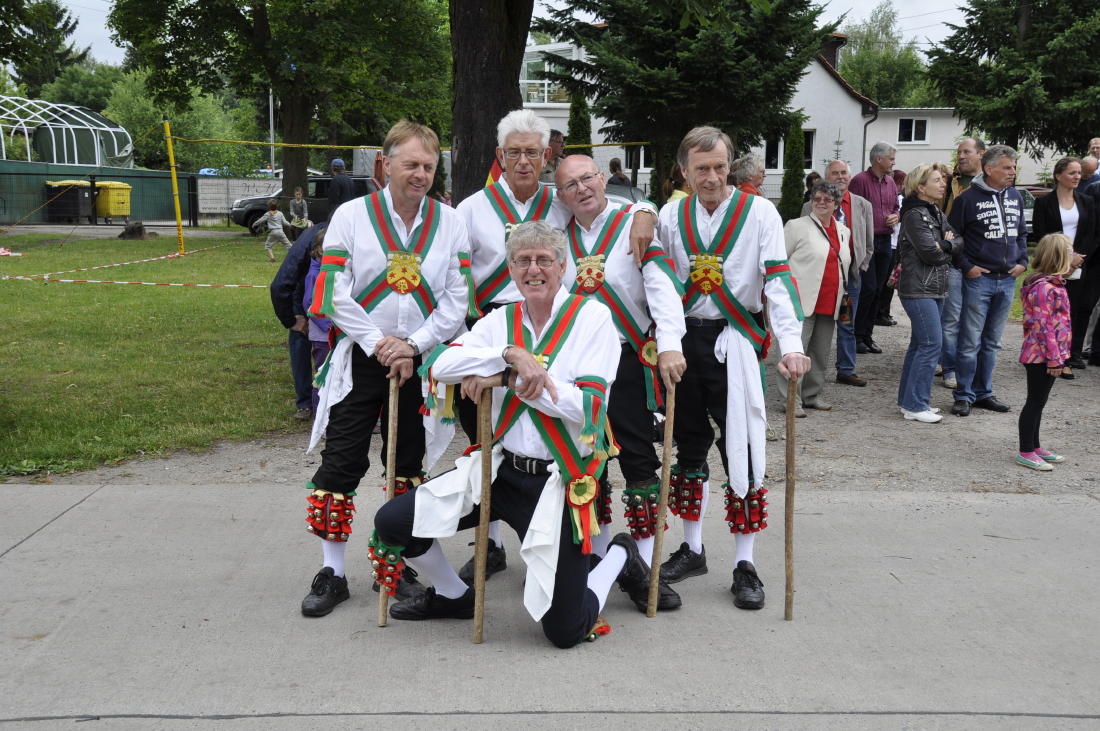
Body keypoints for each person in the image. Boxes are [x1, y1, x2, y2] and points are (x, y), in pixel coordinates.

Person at [373, 221, 649, 648]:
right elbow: (441, 365)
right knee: (393, 522)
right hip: (499, 472)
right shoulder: (499, 321)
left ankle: (618, 556)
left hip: (558, 482)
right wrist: (509, 358)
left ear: (562, 268)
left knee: (564, 631)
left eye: (543, 260)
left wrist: (505, 381)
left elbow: (587, 406)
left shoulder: (593, 319)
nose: (533, 269)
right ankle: (454, 595)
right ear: (512, 269)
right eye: (522, 260)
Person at [452, 109, 659, 584]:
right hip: (495, 337)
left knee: (575, 439)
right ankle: (491, 542)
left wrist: (646, 211)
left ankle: (592, 547)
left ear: (546, 156)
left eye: (532, 152)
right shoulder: (471, 210)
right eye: (514, 152)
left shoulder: (557, 201)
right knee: (488, 440)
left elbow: (607, 209)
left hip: (558, 335)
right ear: (499, 156)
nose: (523, 161)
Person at [297, 120, 469, 617]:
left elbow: (457, 301)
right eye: (410, 163)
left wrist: (412, 347)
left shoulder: (450, 221)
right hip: (362, 359)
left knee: (407, 468)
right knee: (342, 461)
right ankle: (332, 572)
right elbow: (334, 293)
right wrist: (380, 344)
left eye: (429, 166)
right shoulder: (351, 216)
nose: (420, 174)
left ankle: (395, 565)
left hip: (418, 364)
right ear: (386, 164)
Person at [656, 126, 810, 610]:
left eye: (720, 167)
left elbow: (778, 282)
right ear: (684, 170)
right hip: (683, 341)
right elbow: (657, 279)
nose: (712, 177)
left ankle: (745, 562)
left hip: (735, 341)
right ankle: (693, 547)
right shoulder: (668, 213)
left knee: (742, 446)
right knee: (688, 447)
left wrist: (790, 344)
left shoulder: (759, 211)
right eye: (701, 168)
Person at [554, 154, 687, 611]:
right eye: (571, 185)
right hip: (579, 370)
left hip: (628, 363)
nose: (582, 189)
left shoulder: (634, 220)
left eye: (588, 178)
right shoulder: (557, 235)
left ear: (601, 178)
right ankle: (599, 558)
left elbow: (663, 287)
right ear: (562, 196)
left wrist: (671, 343)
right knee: (585, 465)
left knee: (637, 462)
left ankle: (644, 567)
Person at [947, 145, 1028, 417]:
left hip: (1006, 280)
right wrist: (967, 267)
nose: (1012, 172)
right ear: (989, 168)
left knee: (992, 341)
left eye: (1014, 167)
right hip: (979, 280)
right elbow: (952, 239)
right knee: (970, 340)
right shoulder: (967, 200)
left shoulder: (1015, 196)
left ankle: (984, 392)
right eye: (1007, 167)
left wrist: (1023, 262)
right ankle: (964, 394)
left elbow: (1022, 234)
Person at [779, 181, 851, 415]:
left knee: (820, 352)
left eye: (827, 200)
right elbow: (779, 262)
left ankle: (811, 395)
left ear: (836, 204)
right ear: (810, 200)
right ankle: (790, 399)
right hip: (800, 300)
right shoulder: (796, 226)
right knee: (795, 351)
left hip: (830, 299)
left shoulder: (843, 230)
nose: (821, 203)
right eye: (817, 198)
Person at [895, 164, 959, 424]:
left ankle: (909, 401)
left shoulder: (933, 211)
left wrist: (945, 243)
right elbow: (929, 253)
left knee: (920, 344)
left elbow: (959, 240)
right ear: (921, 187)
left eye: (942, 179)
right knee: (932, 343)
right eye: (936, 180)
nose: (943, 184)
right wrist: (948, 244)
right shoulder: (914, 214)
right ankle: (915, 404)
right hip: (919, 287)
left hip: (934, 286)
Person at [802, 160, 874, 388]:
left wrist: (860, 266)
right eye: (835, 173)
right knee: (812, 324)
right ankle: (804, 371)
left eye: (844, 172)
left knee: (847, 322)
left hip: (850, 277)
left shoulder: (862, 205)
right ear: (826, 178)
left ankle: (846, 369)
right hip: (820, 277)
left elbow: (869, 242)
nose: (840, 177)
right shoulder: (809, 206)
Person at [1031, 156, 1098, 378]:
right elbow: (1041, 234)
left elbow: (1092, 233)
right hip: (1053, 264)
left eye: (1079, 173)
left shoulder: (1086, 201)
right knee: (1051, 312)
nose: (1077, 176)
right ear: (1059, 175)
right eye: (1072, 173)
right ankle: (1048, 353)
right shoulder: (1044, 203)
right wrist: (1063, 258)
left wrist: (1078, 258)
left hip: (1079, 263)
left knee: (1076, 309)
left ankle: (1069, 355)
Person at [1015, 233, 1074, 471]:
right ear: (1059, 256)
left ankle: (1036, 446)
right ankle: (1026, 451)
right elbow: (1043, 326)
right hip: (1041, 356)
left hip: (1051, 355)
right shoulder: (1044, 289)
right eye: (1070, 251)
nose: (1073, 255)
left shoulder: (1055, 285)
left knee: (1040, 402)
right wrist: (1054, 358)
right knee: (1034, 402)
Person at [941, 137, 986, 391]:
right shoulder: (951, 183)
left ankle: (969, 366)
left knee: (974, 318)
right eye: (959, 152)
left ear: (981, 154)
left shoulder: (988, 185)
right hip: (954, 259)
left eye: (966, 152)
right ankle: (949, 368)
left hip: (980, 260)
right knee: (951, 317)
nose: (961, 156)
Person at [271, 222, 326, 420]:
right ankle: (306, 404)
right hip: (307, 305)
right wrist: (292, 320)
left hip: (330, 313)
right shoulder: (311, 239)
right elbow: (280, 285)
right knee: (301, 343)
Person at [849, 142, 900, 355]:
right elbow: (851, 206)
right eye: (891, 158)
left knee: (879, 289)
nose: (893, 162)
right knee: (868, 289)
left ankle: (867, 335)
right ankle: (856, 335)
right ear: (878, 159)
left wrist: (896, 216)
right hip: (866, 242)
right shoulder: (860, 180)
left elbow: (896, 207)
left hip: (885, 241)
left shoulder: (890, 182)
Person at [301, 225, 331, 414]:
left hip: (336, 334)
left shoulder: (332, 270)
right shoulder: (315, 273)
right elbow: (310, 304)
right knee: (322, 376)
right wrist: (329, 327)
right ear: (319, 249)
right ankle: (320, 417)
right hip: (323, 336)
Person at [875, 168, 908, 327]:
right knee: (888, 282)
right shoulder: (899, 200)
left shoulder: (898, 199)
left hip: (894, 243)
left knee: (888, 282)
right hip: (893, 244)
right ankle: (882, 313)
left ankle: (883, 312)